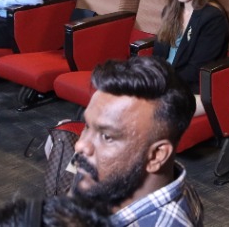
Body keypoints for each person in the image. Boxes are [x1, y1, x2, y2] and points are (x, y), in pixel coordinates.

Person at [70, 56, 202, 227]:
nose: (80, 145)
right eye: (87, 126)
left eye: (107, 137)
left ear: (156, 156)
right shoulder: (107, 178)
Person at [151, 0, 229, 99]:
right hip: (164, 82)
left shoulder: (213, 18)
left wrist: (162, 85)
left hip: (193, 89)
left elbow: (196, 70)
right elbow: (159, 55)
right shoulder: (169, 10)